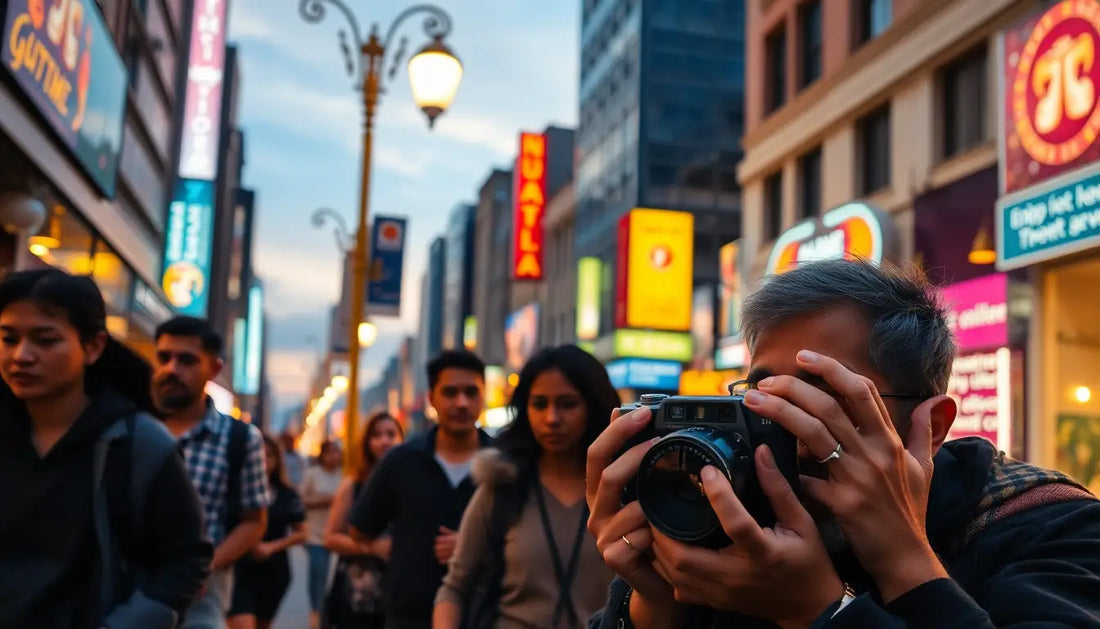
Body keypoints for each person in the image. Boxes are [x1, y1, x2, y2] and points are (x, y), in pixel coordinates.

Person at [587, 259, 1100, 628]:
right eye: (763, 396)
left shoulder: (1052, 525)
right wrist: (654, 609)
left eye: (821, 400)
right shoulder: (724, 515)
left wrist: (838, 602)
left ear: (933, 426)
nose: (789, 425)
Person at [0, 269, 211, 628]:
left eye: (45, 340)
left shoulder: (140, 444)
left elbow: (186, 561)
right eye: (8, 338)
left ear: (94, 347)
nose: (22, 355)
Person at [434, 345, 617, 628]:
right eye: (540, 404)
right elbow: (454, 588)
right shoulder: (501, 485)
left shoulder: (622, 490)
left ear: (593, 405)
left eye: (567, 404)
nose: (552, 419)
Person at [349, 349, 493, 628]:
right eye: (450, 393)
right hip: (409, 615)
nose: (461, 403)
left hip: (486, 615)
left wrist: (474, 547)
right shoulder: (401, 461)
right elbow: (360, 529)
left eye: (471, 392)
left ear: (483, 395)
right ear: (431, 398)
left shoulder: (506, 464)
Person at [153, 316, 270, 629]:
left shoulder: (241, 439)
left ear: (213, 369)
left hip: (199, 600)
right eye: (164, 358)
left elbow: (254, 521)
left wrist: (206, 565)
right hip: (125, 590)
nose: (171, 369)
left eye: (187, 360)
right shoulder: (131, 427)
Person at [322, 413, 405, 628]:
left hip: (402, 591)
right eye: (377, 435)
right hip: (358, 595)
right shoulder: (353, 485)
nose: (385, 441)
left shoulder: (412, 485)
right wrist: (372, 548)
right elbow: (330, 538)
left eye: (391, 434)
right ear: (367, 443)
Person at [227, 434, 308, 629]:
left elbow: (302, 532)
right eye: (259, 454)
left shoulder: (287, 494)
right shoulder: (234, 490)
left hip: (274, 569)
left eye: (269, 455)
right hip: (240, 569)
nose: (264, 460)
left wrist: (272, 547)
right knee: (242, 621)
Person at [303, 440, 345, 627]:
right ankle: (317, 611)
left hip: (339, 535)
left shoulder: (344, 475)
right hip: (316, 535)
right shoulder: (313, 474)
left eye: (337, 452)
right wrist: (330, 500)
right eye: (330, 453)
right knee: (318, 573)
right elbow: (303, 500)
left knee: (337, 577)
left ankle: (329, 614)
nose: (333, 457)